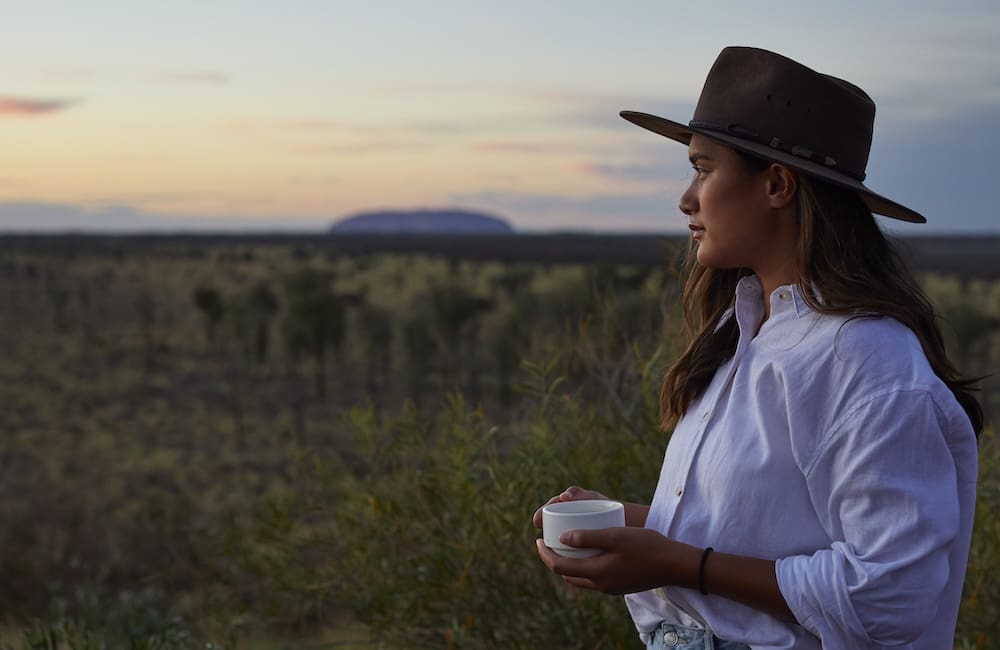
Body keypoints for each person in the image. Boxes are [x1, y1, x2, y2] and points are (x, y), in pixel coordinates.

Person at [533, 46, 982, 649]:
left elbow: (890, 597)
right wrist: (625, 525)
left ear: (776, 184)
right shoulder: (740, 331)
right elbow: (761, 530)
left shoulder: (866, 358)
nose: (686, 199)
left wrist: (675, 565)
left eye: (703, 168)